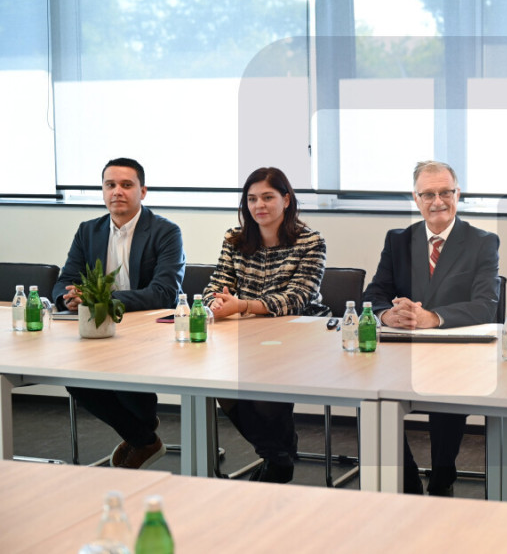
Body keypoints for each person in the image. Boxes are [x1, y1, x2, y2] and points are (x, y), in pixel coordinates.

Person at [363, 160, 500, 496]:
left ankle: (442, 480)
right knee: (369, 396)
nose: (438, 201)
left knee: (446, 397)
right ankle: (408, 481)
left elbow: (486, 305)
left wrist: (432, 317)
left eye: (445, 193)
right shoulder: (398, 240)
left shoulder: (482, 241)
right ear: (416, 198)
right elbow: (375, 293)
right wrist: (387, 315)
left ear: (458, 194)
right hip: (402, 351)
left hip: (455, 353)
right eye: (428, 194)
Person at [53, 157, 185, 470]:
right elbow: (64, 280)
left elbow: (164, 293)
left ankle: (141, 431)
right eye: (110, 185)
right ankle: (143, 437)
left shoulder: (166, 231)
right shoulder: (88, 231)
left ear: (143, 191)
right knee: (75, 379)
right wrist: (67, 298)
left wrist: (101, 298)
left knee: (125, 377)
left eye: (126, 185)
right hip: (98, 330)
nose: (117, 192)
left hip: (148, 332)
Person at [203, 166, 329, 483]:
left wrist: (242, 305)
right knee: (222, 385)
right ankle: (278, 455)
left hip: (300, 335)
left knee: (264, 388)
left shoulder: (310, 241)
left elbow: (297, 298)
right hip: (246, 334)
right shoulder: (234, 239)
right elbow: (215, 285)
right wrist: (216, 303)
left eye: (268, 197)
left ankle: (276, 459)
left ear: (286, 200)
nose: (259, 205)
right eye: (252, 198)